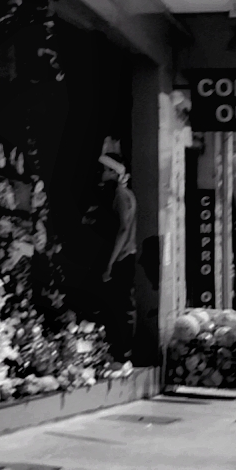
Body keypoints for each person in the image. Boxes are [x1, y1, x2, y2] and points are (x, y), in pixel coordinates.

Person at [98, 153, 138, 362]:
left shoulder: (120, 195)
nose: (102, 174)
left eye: (105, 170)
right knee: (121, 306)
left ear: (114, 172)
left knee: (120, 307)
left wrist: (110, 263)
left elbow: (122, 228)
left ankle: (122, 351)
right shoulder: (126, 194)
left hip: (121, 259)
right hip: (124, 258)